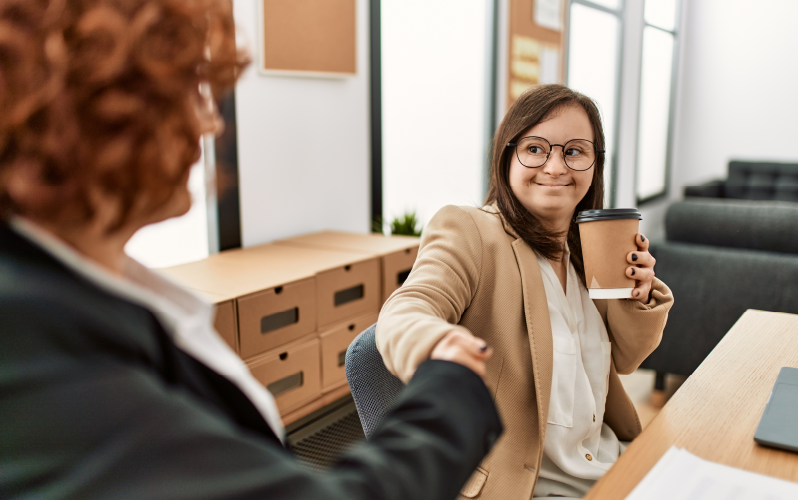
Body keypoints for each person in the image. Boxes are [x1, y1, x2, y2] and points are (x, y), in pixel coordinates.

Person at [0, 0, 503, 498]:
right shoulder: (25, 344)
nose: (209, 122)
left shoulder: (79, 290)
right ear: (89, 111)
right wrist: (451, 384)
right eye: (190, 91)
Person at [376, 84, 674, 500]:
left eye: (574, 151)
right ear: (507, 155)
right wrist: (437, 342)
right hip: (530, 488)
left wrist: (637, 296)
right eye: (535, 148)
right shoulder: (470, 231)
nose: (555, 166)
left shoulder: (588, 247)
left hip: (608, 464)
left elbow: (625, 360)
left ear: (595, 164)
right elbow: (408, 308)